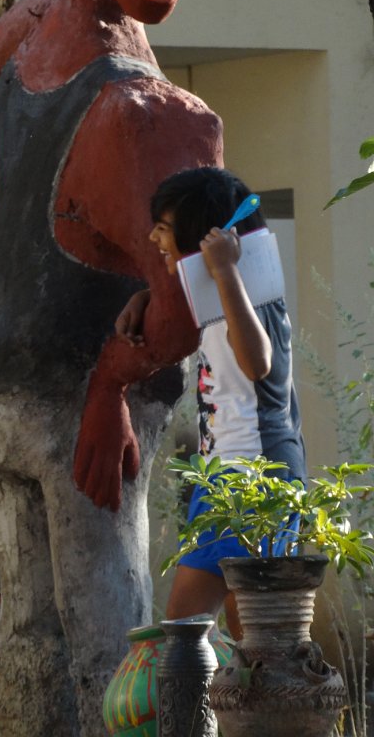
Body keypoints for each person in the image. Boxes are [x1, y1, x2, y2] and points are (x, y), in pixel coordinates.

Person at [0, 0, 224, 736]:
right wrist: (109, 386)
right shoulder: (154, 114)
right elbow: (182, 310)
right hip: (82, 414)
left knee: (30, 643)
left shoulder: (19, 48)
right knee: (114, 653)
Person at [116, 166, 307, 638]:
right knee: (231, 639)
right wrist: (146, 298)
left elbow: (257, 363)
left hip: (255, 476)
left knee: (199, 636)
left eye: (164, 227)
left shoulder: (249, 288)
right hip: (223, 473)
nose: (154, 237)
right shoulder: (221, 289)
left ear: (202, 235)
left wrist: (224, 270)